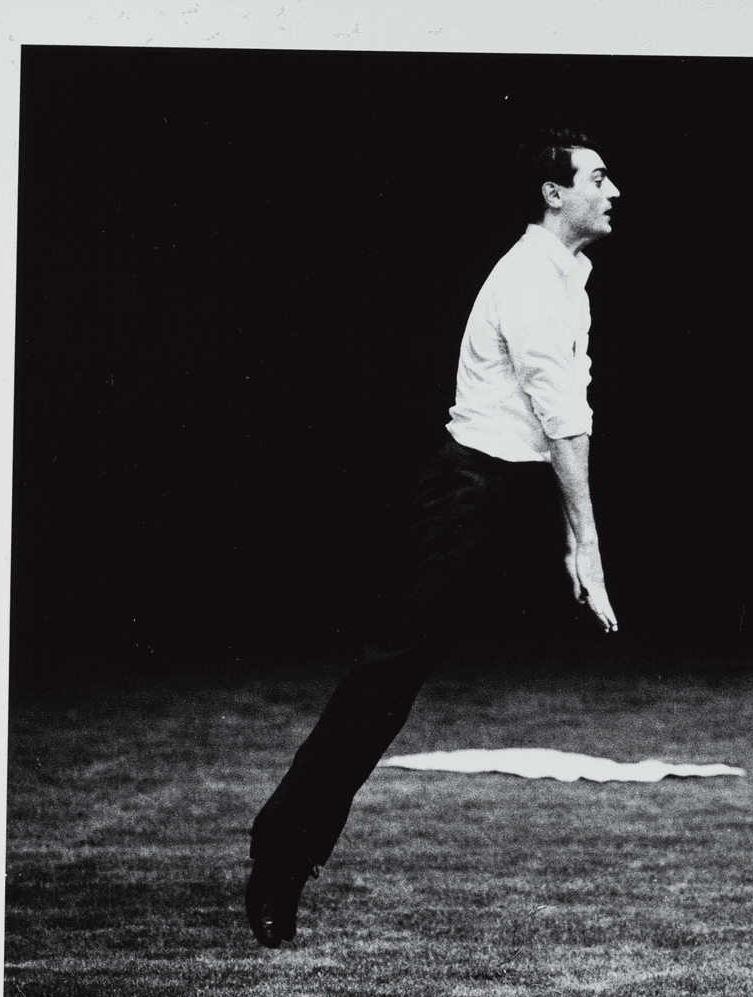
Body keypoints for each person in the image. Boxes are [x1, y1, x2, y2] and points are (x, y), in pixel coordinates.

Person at [245, 128, 622, 948]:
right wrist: (584, 546)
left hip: (510, 491)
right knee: (388, 678)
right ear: (555, 193)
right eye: (597, 177)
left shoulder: (571, 281)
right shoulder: (528, 279)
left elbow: (565, 422)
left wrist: (567, 537)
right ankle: (280, 854)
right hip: (469, 494)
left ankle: (286, 846)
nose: (614, 190)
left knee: (405, 679)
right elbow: (562, 421)